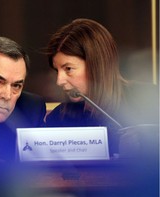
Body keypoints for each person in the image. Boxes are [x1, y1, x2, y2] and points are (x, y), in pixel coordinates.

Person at [44, 18, 158, 156]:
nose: (59, 81)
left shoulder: (150, 100)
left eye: (68, 69)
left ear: (96, 65)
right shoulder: (59, 117)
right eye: (57, 71)